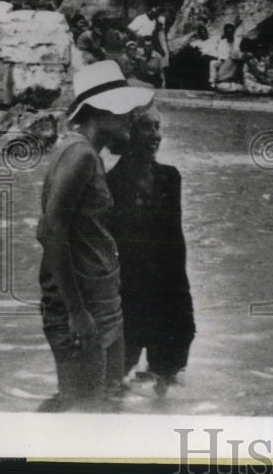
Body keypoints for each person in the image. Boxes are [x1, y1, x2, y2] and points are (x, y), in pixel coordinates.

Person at [36, 61, 154, 412]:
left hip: (100, 300)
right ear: (103, 111)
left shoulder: (88, 153)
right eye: (127, 110)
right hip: (82, 304)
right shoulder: (81, 155)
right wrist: (76, 312)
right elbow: (50, 230)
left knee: (106, 402)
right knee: (84, 411)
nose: (133, 117)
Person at [107, 103, 195, 396]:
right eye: (147, 127)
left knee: (168, 372)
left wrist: (181, 295)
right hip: (129, 290)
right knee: (117, 373)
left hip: (167, 289)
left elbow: (175, 239)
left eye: (158, 127)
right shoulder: (111, 182)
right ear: (127, 132)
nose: (156, 135)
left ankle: (163, 420)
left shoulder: (170, 177)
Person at [210, 23, 243, 91]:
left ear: (233, 31)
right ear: (225, 32)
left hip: (237, 60)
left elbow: (241, 52)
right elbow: (220, 54)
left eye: (230, 31)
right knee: (213, 63)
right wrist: (223, 60)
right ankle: (212, 83)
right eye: (227, 32)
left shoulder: (239, 40)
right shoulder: (222, 42)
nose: (229, 33)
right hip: (225, 61)